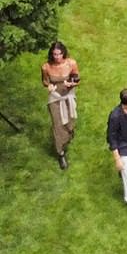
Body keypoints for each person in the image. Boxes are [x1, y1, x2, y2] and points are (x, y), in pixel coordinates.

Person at [41, 41, 80, 170]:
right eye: (54, 54)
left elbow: (76, 79)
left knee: (69, 122)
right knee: (57, 125)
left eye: (59, 54)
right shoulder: (46, 67)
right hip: (55, 98)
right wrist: (49, 85)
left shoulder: (71, 63)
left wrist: (72, 84)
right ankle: (60, 153)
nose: (57, 57)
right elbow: (45, 81)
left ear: (63, 53)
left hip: (68, 95)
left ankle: (68, 134)